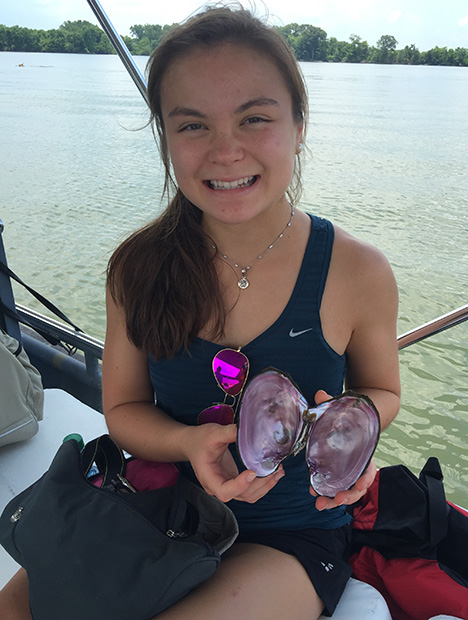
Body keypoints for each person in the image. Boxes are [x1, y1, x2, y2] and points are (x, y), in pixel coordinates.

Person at [0, 4, 400, 619]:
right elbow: (124, 410)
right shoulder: (136, 266)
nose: (225, 150)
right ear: (165, 139)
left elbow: (381, 388)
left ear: (299, 126)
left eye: (254, 118)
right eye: (192, 126)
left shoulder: (357, 271)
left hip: (292, 533)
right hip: (156, 508)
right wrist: (188, 442)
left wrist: (350, 435)